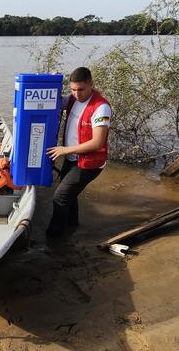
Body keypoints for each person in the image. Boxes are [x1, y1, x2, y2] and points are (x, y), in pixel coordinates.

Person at [45, 67, 111, 238]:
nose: (76, 94)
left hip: (89, 163)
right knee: (69, 195)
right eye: (73, 89)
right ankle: (72, 228)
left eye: (80, 89)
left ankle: (54, 239)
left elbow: (97, 143)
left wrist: (64, 150)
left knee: (60, 197)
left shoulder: (101, 107)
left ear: (91, 84)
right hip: (72, 158)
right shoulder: (72, 99)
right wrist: (52, 81)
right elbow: (54, 102)